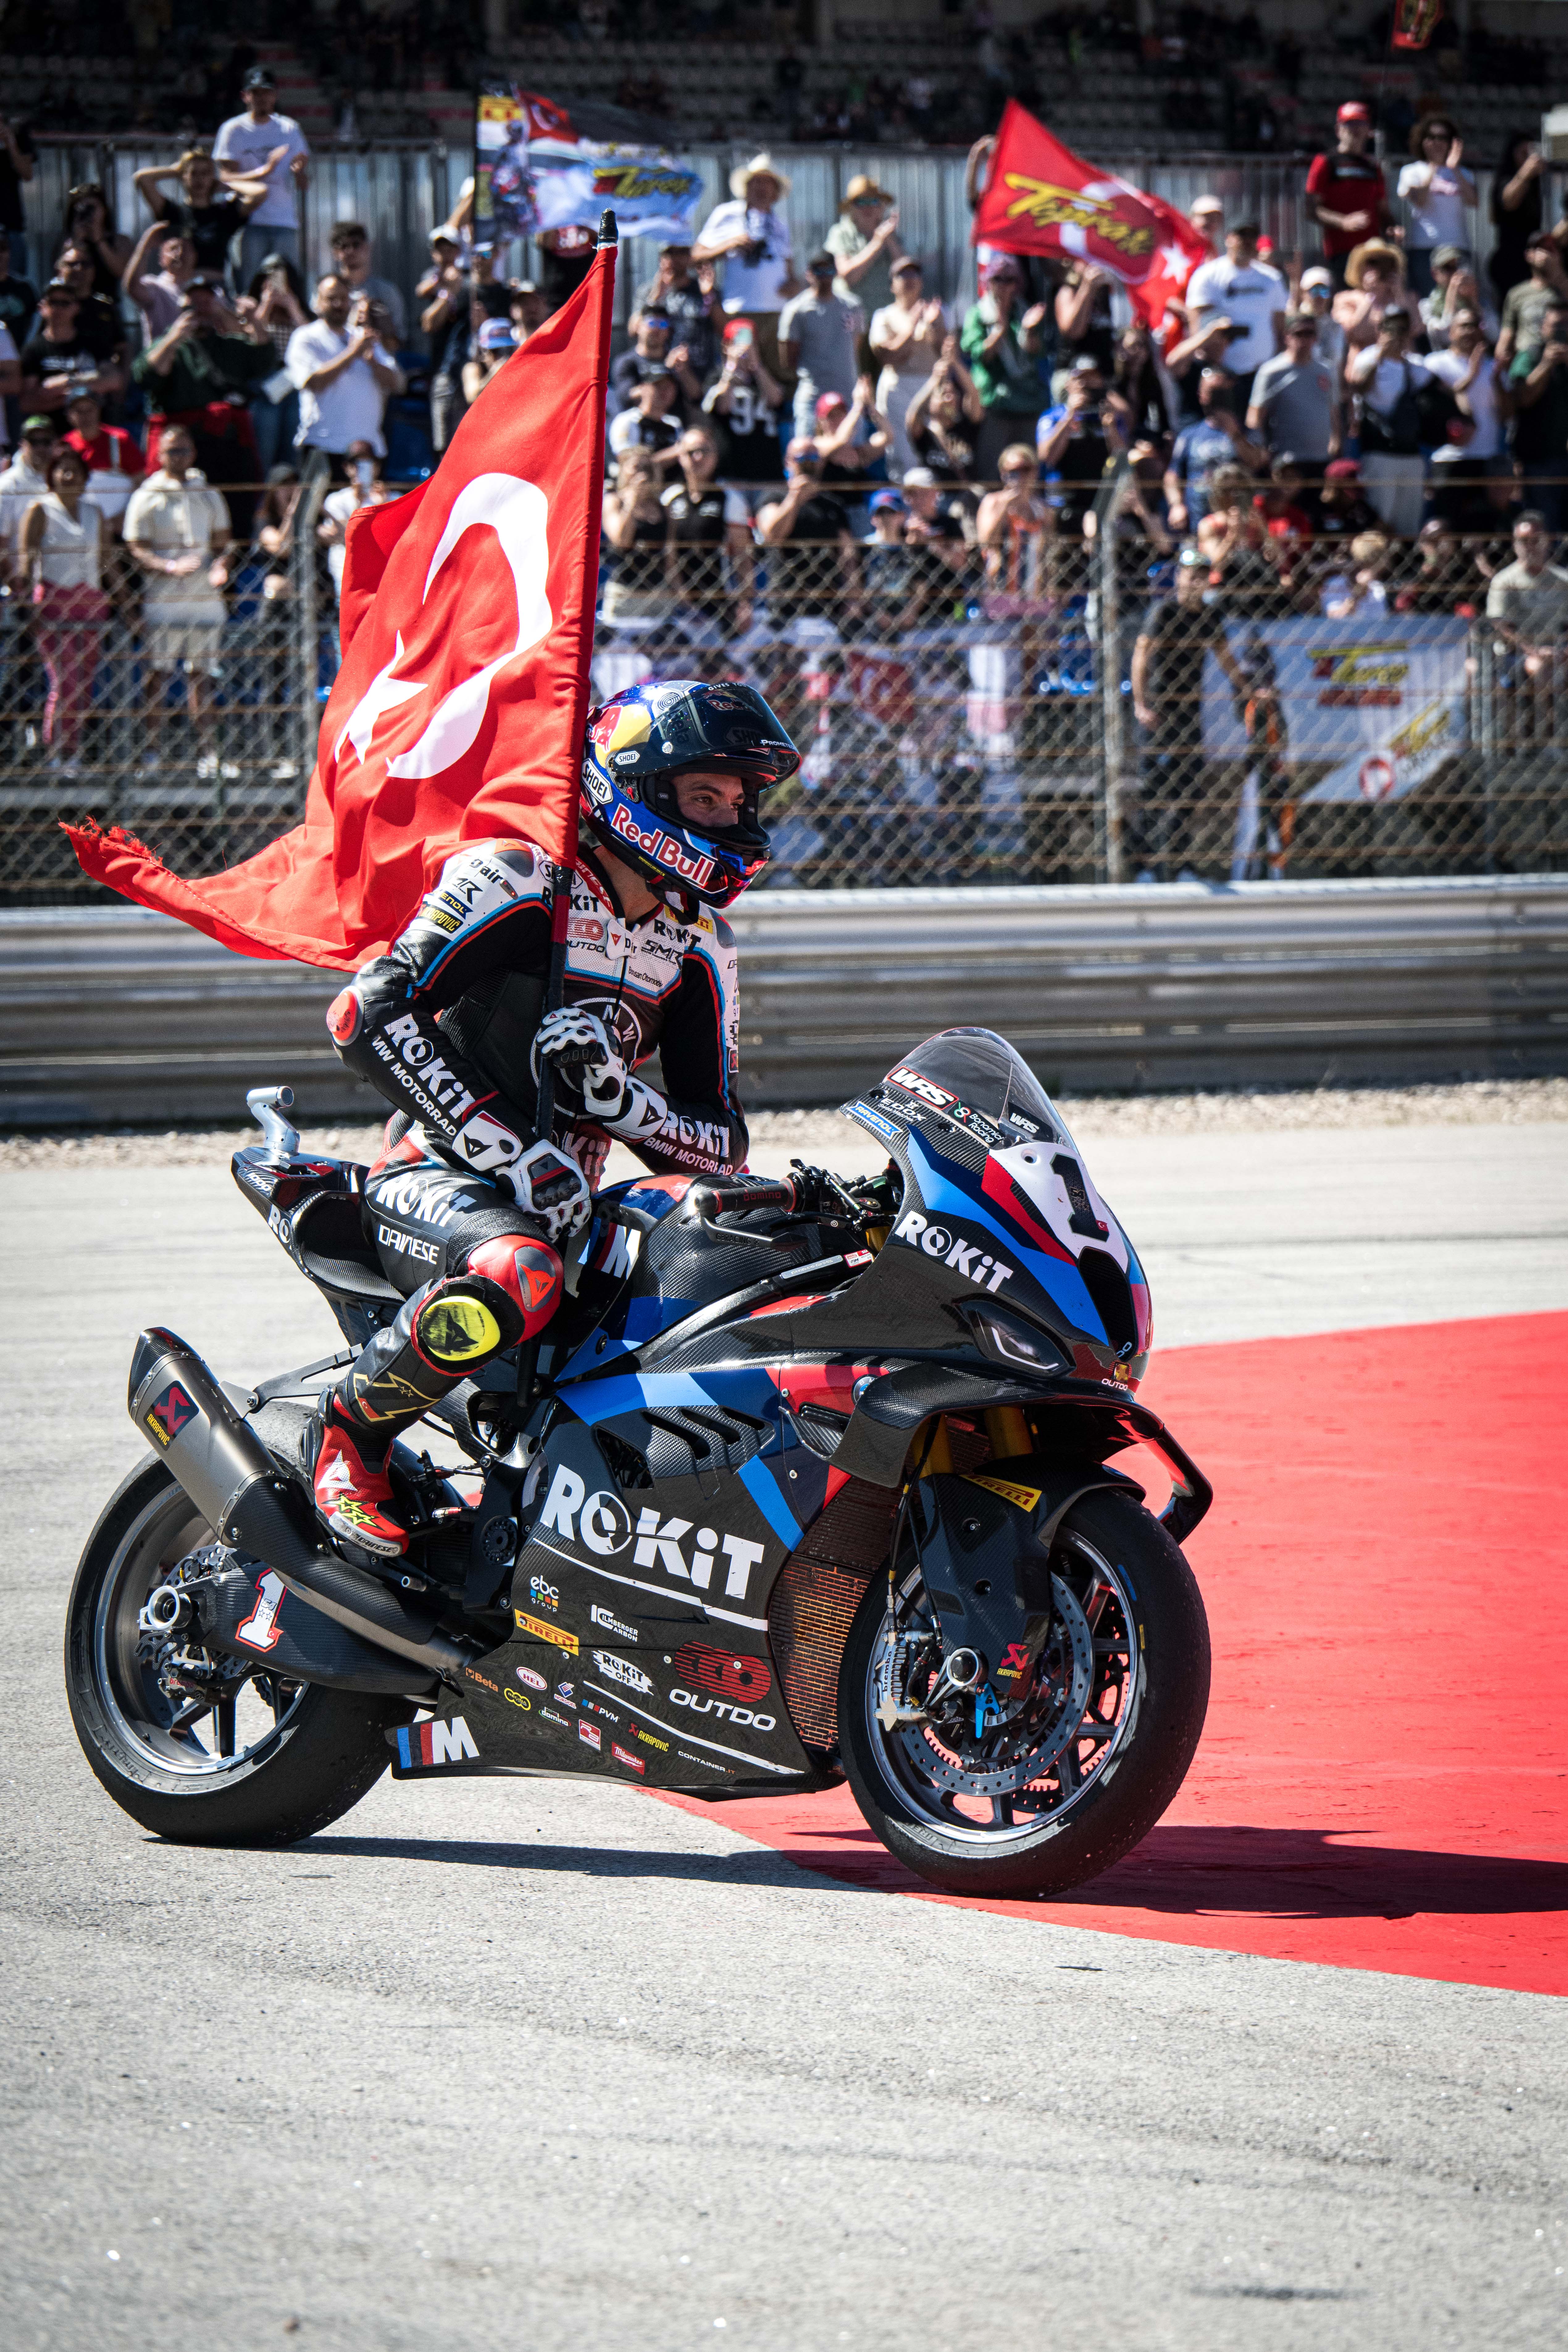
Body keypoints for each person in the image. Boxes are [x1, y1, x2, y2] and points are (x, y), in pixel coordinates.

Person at [306, 679, 801, 1557]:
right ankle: (348, 1435)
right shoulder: (518, 876)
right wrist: (517, 1154)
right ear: (633, 790)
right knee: (520, 1269)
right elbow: (365, 1014)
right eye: (705, 797)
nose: (729, 819)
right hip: (437, 1177)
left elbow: (722, 1146)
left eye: (737, 801)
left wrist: (622, 1103)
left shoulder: (700, 944)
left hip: (572, 1205)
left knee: (737, 1270)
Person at [1131, 544, 1257, 880]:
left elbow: (1225, 657)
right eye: (1191, 575)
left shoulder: (1208, 616)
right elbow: (1142, 657)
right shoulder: (1163, 612)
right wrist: (1141, 704)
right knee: (1154, 788)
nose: (1196, 582)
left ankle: (1178, 863)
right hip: (1159, 713)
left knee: (1188, 788)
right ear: (1179, 578)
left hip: (1189, 714)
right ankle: (1144, 865)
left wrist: (1248, 691)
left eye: (1202, 575)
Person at [121, 422, 232, 775]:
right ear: (159, 454)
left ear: (194, 453)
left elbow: (224, 542)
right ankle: (153, 752)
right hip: (163, 598)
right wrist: (168, 566)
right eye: (172, 451)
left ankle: (209, 754)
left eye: (184, 449)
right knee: (158, 674)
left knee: (203, 675)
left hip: (204, 597)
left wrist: (221, 565)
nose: (179, 456)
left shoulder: (208, 493)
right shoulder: (146, 495)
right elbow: (136, 546)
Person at [132, 273, 274, 521]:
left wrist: (253, 320)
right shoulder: (169, 345)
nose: (201, 310)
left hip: (225, 443)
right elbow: (145, 376)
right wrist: (174, 338)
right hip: (184, 443)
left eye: (207, 303)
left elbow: (264, 358)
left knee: (234, 510)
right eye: (194, 304)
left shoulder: (228, 346)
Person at [16, 441, 108, 775]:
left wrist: (125, 602)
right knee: (64, 681)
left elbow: (108, 563)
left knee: (85, 682)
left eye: (75, 471)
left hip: (91, 602)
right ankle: (56, 750)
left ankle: (75, 753)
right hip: (54, 604)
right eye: (62, 470)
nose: (69, 476)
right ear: (52, 475)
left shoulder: (94, 512)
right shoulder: (40, 510)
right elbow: (27, 561)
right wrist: (26, 603)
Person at [691, 155, 802, 387]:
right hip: (740, 314)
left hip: (776, 315)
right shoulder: (727, 214)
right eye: (757, 182)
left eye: (768, 183)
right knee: (740, 373)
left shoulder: (780, 225)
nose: (762, 189)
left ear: (776, 192)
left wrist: (794, 286)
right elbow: (696, 256)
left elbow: (790, 272)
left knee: (777, 375)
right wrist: (730, 245)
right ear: (747, 188)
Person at [286, 275, 403, 467]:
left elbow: (398, 384)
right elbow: (314, 382)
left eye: (343, 298)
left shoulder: (364, 338)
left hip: (367, 450)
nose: (339, 304)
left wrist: (372, 362)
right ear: (317, 302)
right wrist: (352, 353)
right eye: (331, 299)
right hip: (323, 447)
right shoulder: (306, 338)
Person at [213, 67, 311, 286]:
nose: (262, 98)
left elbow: (302, 177)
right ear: (245, 96)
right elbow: (225, 178)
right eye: (256, 93)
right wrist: (265, 171)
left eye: (266, 92)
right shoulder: (233, 129)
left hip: (284, 221)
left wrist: (299, 173)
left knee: (287, 285)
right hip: (248, 220)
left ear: (275, 95)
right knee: (249, 286)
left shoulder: (289, 128)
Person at [757, 442, 861, 638]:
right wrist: (795, 498)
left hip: (828, 611)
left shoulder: (833, 506)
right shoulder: (774, 498)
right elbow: (772, 536)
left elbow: (848, 556)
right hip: (785, 610)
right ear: (788, 462)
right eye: (801, 458)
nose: (808, 464)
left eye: (814, 458)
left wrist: (853, 599)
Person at [960, 259, 1051, 483]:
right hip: (996, 405)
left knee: (1027, 468)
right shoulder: (979, 314)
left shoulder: (1024, 312)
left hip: (1028, 403)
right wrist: (999, 325)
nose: (1003, 285)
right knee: (992, 472)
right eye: (997, 279)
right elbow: (980, 354)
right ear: (988, 282)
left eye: (1009, 280)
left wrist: (1029, 330)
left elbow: (1036, 353)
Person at [1347, 311, 1436, 538]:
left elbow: (1440, 389)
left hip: (1411, 453)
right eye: (1390, 329)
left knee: (1409, 524)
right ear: (1380, 331)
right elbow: (1358, 386)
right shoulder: (1368, 358)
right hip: (1379, 453)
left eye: (1402, 330)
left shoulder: (1415, 365)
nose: (1396, 335)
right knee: (1380, 522)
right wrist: (1381, 355)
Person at [663, 424, 754, 643]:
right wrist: (681, 596)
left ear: (715, 456)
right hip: (677, 605)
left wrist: (745, 602)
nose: (698, 458)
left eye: (704, 451)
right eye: (691, 452)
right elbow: (668, 553)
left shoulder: (730, 499)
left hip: (719, 605)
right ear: (680, 457)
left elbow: (743, 557)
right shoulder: (670, 498)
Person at [1184, 223, 1287, 411]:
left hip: (1262, 373)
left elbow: (1280, 327)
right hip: (1221, 375)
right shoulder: (1208, 275)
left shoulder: (1271, 278)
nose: (1247, 242)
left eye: (1252, 236)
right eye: (1242, 235)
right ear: (1229, 238)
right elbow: (1197, 324)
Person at [133, 148, 273, 281]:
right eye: (194, 173)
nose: (199, 179)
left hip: (216, 284)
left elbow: (260, 193)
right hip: (181, 285)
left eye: (205, 174)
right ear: (184, 176)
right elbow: (143, 178)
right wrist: (176, 170)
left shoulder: (225, 212)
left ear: (212, 177)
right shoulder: (174, 212)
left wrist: (225, 185)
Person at [1424, 305, 1504, 532]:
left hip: (1486, 458)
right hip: (1448, 459)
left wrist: (1497, 378)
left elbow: (1506, 412)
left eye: (1474, 326)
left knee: (1484, 529)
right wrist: (1471, 376)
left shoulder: (1492, 367)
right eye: (1464, 326)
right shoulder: (1435, 364)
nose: (1470, 331)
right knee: (1449, 528)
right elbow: (1436, 403)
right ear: (1451, 332)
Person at [1164, 366, 1267, 534]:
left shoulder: (1247, 433)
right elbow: (1173, 475)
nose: (1218, 399)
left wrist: (1234, 434)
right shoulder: (1189, 435)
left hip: (1238, 526)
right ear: (1201, 395)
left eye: (1222, 393)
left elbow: (1257, 463)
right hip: (1199, 524)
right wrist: (1177, 505)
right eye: (1212, 392)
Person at [868, 258, 947, 476]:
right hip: (898, 389)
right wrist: (913, 325)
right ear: (892, 285)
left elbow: (948, 353)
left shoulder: (937, 311)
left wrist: (936, 325)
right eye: (902, 275)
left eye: (914, 275)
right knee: (903, 454)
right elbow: (890, 356)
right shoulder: (883, 316)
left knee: (934, 447)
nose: (910, 280)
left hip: (932, 388)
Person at [1035, 357, 1129, 537]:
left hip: (1103, 499)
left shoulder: (1110, 417)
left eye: (1092, 378)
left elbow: (1122, 460)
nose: (1086, 384)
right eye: (1080, 379)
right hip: (1063, 502)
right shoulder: (1053, 417)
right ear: (1069, 384)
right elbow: (1047, 457)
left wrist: (1110, 429)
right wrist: (1070, 416)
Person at [237, 253, 310, 476]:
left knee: (292, 448)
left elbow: (312, 337)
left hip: (294, 382)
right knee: (265, 447)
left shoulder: (300, 310)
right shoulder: (252, 308)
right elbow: (248, 338)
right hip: (264, 384)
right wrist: (266, 305)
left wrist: (292, 306)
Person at [779, 252, 863, 445]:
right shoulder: (797, 310)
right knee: (809, 451)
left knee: (852, 455)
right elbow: (788, 359)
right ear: (809, 274)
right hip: (813, 396)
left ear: (836, 273)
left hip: (848, 397)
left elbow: (855, 346)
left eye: (829, 270)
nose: (824, 276)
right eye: (819, 271)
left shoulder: (853, 306)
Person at [1306, 101, 1392, 287]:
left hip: (1372, 252)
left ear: (1368, 130)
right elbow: (1312, 210)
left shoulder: (1373, 167)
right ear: (1339, 130)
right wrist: (1343, 222)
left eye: (1360, 124)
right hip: (1341, 253)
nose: (1355, 130)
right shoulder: (1326, 162)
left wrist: (1393, 227)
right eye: (1350, 124)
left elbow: (1383, 210)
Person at [1246, 316, 1340, 475]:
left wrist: (1336, 439)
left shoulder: (1326, 371)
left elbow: (1333, 408)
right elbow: (1255, 417)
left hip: (1321, 456)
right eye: (1299, 334)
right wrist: (1261, 449)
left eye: (1310, 334)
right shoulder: (1271, 372)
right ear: (1287, 337)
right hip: (1287, 459)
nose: (1304, 339)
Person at [1505, 298, 1568, 533]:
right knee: (1544, 523)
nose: (1562, 330)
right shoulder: (1529, 356)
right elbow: (1522, 398)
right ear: (1543, 328)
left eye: (1566, 325)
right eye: (1556, 325)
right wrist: (1546, 364)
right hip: (1536, 460)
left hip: (1563, 456)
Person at [1485, 510, 1568, 686]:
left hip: (1559, 649)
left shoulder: (1563, 580)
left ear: (1547, 541)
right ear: (1515, 544)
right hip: (1516, 654)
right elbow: (1500, 625)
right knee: (1539, 668)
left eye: (1536, 540)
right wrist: (1535, 651)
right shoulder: (1504, 581)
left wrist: (1564, 652)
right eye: (1524, 541)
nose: (1530, 546)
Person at [1397, 116, 1475, 298]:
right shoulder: (1411, 171)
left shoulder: (1464, 173)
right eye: (1431, 138)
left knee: (1461, 299)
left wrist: (1454, 169)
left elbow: (1473, 201)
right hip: (1424, 248)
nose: (1437, 143)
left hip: (1458, 246)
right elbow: (1420, 201)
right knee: (1427, 300)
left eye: (1443, 138)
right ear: (1422, 141)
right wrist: (1433, 169)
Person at [19, 282, 123, 416]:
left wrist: (67, 382)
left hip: (92, 425)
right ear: (42, 307)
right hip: (51, 425)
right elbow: (27, 402)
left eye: (65, 303)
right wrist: (76, 397)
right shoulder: (33, 350)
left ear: (77, 307)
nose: (58, 309)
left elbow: (114, 380)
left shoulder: (93, 344)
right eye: (53, 302)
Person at [701, 322, 785, 484]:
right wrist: (731, 368)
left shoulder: (766, 377)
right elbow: (722, 407)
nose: (745, 349)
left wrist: (757, 367)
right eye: (737, 343)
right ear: (726, 346)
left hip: (769, 474)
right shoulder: (716, 378)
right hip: (732, 474)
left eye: (750, 343)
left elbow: (776, 400)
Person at [600, 447, 671, 628]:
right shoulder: (614, 501)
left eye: (648, 468)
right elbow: (621, 541)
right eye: (636, 468)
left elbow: (671, 554)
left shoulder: (662, 508)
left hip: (658, 593)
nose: (643, 474)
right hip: (625, 593)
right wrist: (632, 501)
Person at [318, 441, 396, 600]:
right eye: (356, 464)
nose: (362, 468)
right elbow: (347, 536)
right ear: (346, 468)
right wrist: (358, 504)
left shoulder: (394, 498)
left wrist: (383, 506)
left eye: (368, 463)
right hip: (348, 572)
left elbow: (395, 536)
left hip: (386, 572)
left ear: (377, 467)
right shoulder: (336, 500)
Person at [418, 227, 471, 453]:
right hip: (442, 366)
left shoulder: (470, 280)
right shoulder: (432, 279)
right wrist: (447, 292)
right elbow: (428, 321)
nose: (445, 255)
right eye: (440, 250)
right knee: (444, 440)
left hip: (468, 365)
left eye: (450, 249)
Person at [904, 339, 984, 488]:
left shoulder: (966, 426)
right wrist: (935, 380)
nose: (949, 399)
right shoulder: (925, 434)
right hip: (935, 496)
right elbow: (913, 414)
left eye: (953, 394)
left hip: (965, 495)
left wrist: (955, 362)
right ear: (930, 404)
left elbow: (974, 394)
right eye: (943, 395)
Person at [635, 244, 723, 379]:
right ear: (661, 259)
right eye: (670, 254)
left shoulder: (704, 289)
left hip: (700, 370)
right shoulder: (648, 291)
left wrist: (709, 296)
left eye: (682, 253)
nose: (675, 259)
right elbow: (634, 329)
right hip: (660, 372)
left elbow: (723, 330)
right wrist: (656, 297)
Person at [61, 386, 144, 527]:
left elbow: (141, 481)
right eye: (79, 411)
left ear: (99, 410)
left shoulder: (120, 440)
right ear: (70, 415)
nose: (85, 416)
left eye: (90, 410)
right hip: (81, 526)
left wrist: (127, 515)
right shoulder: (65, 446)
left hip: (121, 525)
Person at [824, 175, 905, 320]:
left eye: (874, 201)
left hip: (885, 318)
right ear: (851, 207)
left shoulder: (891, 236)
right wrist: (877, 244)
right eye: (861, 202)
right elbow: (849, 276)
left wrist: (890, 240)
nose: (868, 208)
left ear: (882, 206)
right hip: (851, 318)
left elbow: (905, 272)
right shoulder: (841, 233)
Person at [1332, 241, 1424, 354]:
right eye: (1373, 262)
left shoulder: (1409, 298)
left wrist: (1400, 294)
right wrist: (1371, 297)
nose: (1380, 268)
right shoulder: (1346, 299)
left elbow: (1416, 329)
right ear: (1361, 268)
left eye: (1387, 263)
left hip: (1401, 361)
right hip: (1364, 362)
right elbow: (1353, 334)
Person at [1497, 233, 1568, 372]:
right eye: (1541, 249)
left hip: (1562, 358)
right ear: (1529, 255)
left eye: (1551, 249)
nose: (1546, 254)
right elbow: (1508, 331)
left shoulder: (1565, 288)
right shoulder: (1517, 294)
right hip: (1529, 358)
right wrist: (1503, 351)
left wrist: (1557, 270)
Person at [328, 223, 407, 347]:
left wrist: (379, 323)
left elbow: (398, 343)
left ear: (367, 248)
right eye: (344, 246)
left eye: (356, 245)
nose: (351, 251)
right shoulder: (327, 290)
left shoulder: (386, 291)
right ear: (335, 252)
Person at [1489, 133, 1544, 305]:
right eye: (1524, 153)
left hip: (1535, 258)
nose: (1529, 158)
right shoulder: (1506, 178)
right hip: (1510, 259)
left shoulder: (1542, 183)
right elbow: (1508, 202)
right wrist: (1526, 172)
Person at [0, 416, 55, 583]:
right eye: (34, 442)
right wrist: (16, 584)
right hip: (21, 583)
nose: (41, 448)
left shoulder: (64, 481)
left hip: (59, 583)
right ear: (22, 445)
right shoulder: (8, 485)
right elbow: (1, 544)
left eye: (46, 442)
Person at [57, 183, 131, 303]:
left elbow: (122, 272)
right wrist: (77, 241)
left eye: (91, 209)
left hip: (107, 304)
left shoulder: (119, 241)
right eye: (82, 209)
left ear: (104, 210)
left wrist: (99, 240)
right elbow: (60, 273)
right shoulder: (68, 243)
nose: (87, 214)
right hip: (73, 305)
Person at [123, 223, 197, 342]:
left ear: (195, 255)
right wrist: (145, 247)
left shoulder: (206, 288)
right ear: (161, 258)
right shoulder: (155, 286)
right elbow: (133, 288)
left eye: (185, 248)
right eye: (173, 249)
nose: (180, 253)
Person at [1420, 250, 1497, 353]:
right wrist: (1452, 295)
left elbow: (1495, 335)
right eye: (1448, 268)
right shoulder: (1427, 305)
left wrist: (1474, 302)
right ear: (1434, 274)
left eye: (1458, 266)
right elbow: (1443, 337)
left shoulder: (1480, 300)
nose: (1455, 273)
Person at [608, 371, 684, 469]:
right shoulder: (626, 421)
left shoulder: (675, 424)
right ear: (642, 388)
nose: (664, 392)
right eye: (658, 386)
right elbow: (628, 462)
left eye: (669, 387)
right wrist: (674, 453)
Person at [0, 109, 36, 280]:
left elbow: (27, 174)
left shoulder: (18, 130)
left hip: (11, 228)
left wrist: (11, 144)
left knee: (14, 285)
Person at [462, 316, 516, 407]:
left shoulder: (517, 367)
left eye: (507, 350)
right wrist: (495, 373)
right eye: (496, 351)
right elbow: (472, 397)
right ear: (483, 351)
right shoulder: (473, 368)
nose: (501, 357)